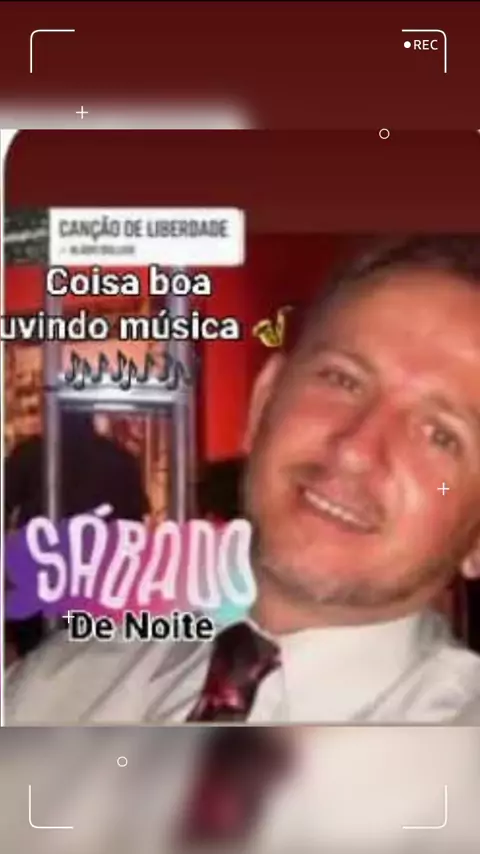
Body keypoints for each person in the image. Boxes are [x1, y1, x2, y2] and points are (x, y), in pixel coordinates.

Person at [6, 235, 480, 724]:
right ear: (262, 403)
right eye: (343, 380)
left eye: (441, 436)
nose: (356, 449)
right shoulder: (57, 688)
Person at [5, 412, 150, 658]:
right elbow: (134, 524)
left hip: (40, 574)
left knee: (37, 658)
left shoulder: (31, 453)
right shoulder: (118, 458)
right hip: (99, 578)